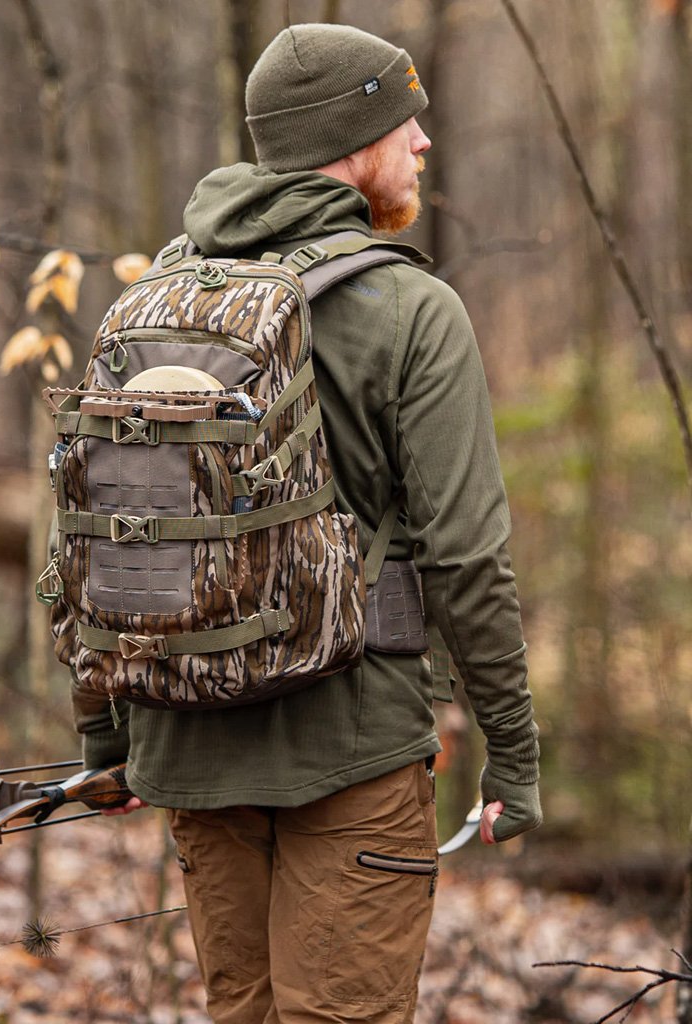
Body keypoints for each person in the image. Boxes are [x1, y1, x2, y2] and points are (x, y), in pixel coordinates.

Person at [78, 22, 542, 1024]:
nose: (422, 141)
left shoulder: (148, 300)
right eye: (401, 120)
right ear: (351, 138)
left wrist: (102, 736)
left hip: (185, 740)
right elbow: (466, 556)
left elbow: (90, 534)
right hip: (352, 753)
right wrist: (513, 750)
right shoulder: (410, 308)